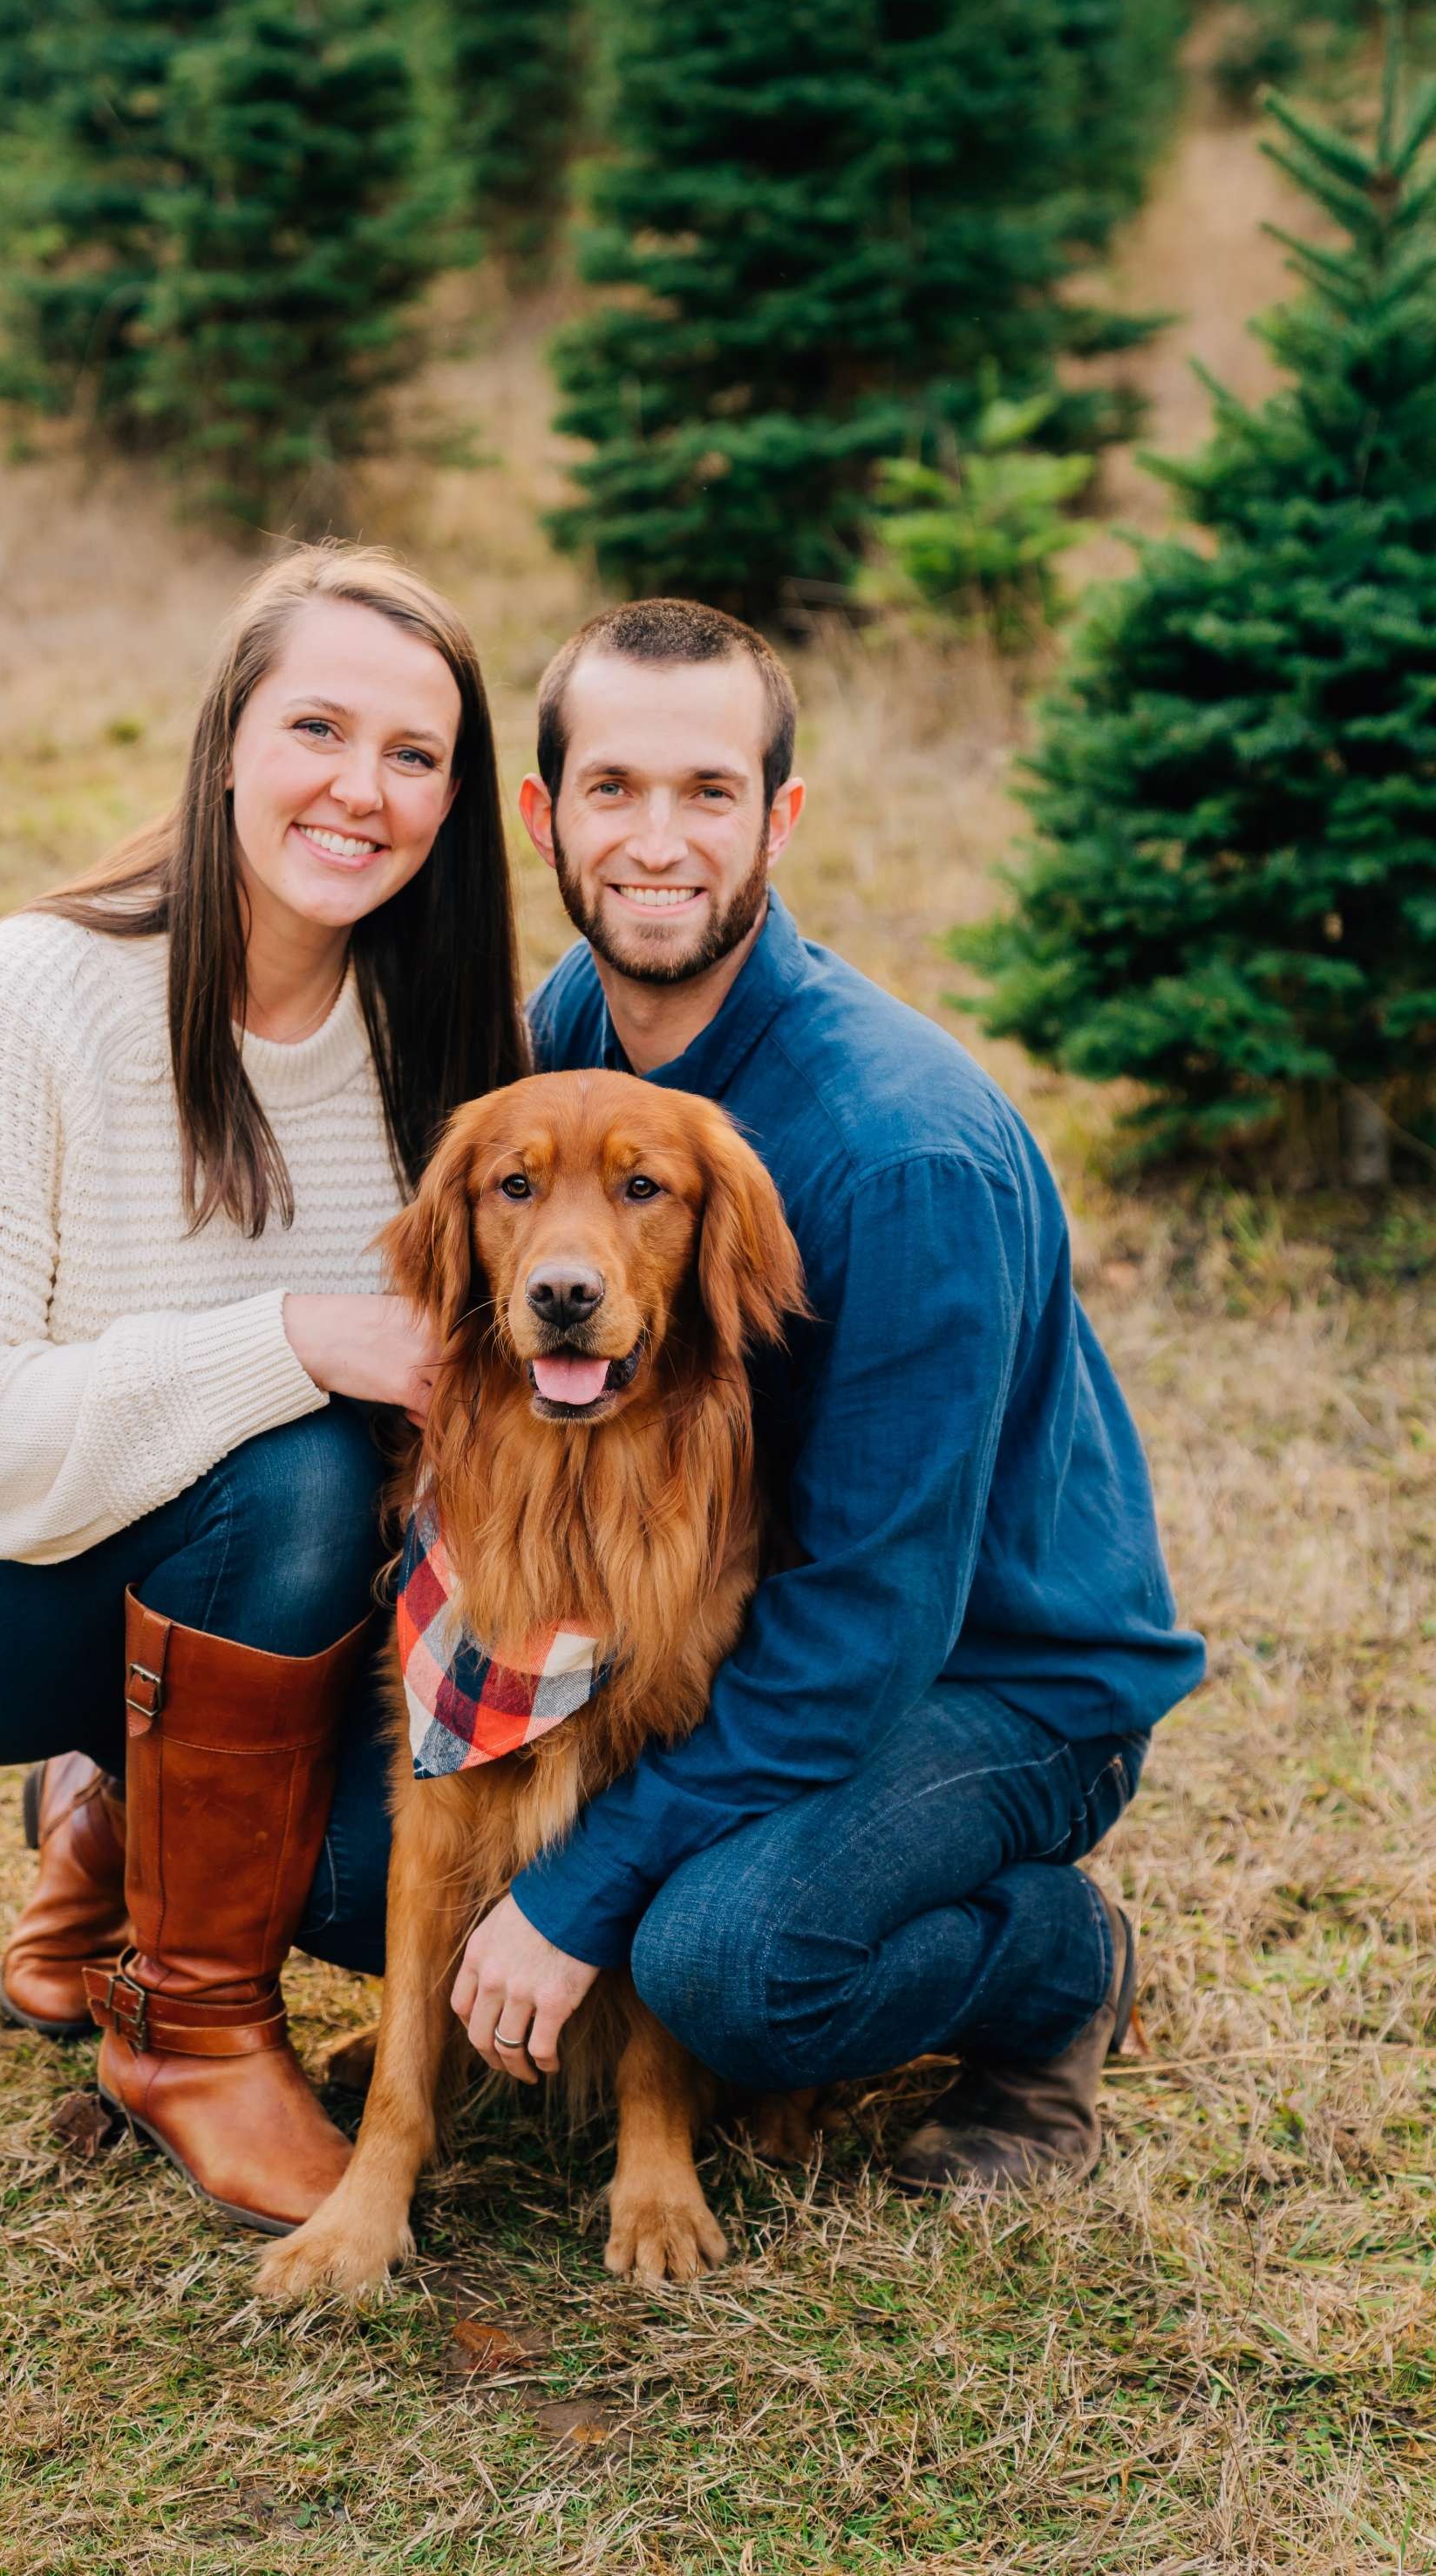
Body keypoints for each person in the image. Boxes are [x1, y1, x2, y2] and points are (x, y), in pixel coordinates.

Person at [0, 544, 527, 2234]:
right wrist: (298, 1335)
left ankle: (106, 1817)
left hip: (213, 1583)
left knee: (359, 1882)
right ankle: (189, 2035)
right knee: (299, 1454)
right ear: (228, 744)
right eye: (317, 727)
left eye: (415, 755)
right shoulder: (33, 989)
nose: (360, 788)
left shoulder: (446, 1042)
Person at [442, 596, 1205, 2190]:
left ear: (778, 818)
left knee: (721, 1960)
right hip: (719, 1628)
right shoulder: (575, 1045)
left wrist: (581, 1893)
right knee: (369, 1854)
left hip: (990, 1674)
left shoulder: (897, 1152)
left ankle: (1055, 1966)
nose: (658, 842)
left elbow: (874, 1621)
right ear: (544, 814)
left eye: (709, 793)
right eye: (614, 790)